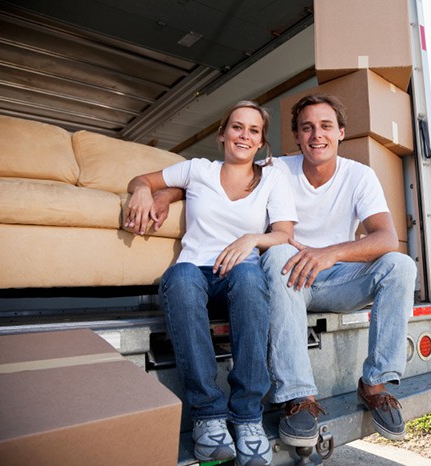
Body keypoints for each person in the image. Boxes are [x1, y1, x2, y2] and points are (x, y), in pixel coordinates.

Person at [124, 101, 297, 466]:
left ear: (262, 141)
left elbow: (283, 234)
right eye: (237, 127)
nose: (244, 136)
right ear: (222, 134)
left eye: (253, 130)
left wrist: (251, 239)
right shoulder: (198, 169)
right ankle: (208, 417)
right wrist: (143, 191)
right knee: (181, 277)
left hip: (240, 273)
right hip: (196, 270)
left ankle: (248, 418)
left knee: (251, 278)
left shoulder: (273, 179)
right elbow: (144, 179)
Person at [260, 93, 417, 447]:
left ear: (341, 132)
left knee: (400, 265)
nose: (317, 135)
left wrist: (329, 253)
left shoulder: (359, 175)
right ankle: (299, 397)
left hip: (337, 281)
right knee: (275, 252)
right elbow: (222, 182)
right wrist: (160, 192)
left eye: (326, 126)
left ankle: (374, 385)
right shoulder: (276, 169)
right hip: (288, 280)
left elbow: (387, 238)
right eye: (307, 128)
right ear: (297, 137)